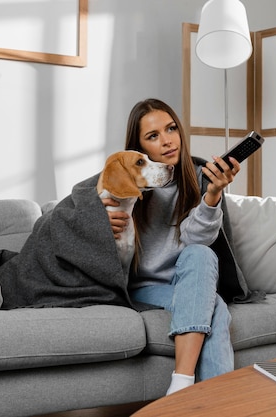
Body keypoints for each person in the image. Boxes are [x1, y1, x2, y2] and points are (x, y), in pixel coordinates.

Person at [102, 98, 247, 395]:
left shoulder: (199, 176)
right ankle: (196, 395)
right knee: (215, 307)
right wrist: (98, 216)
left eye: (171, 129)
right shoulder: (125, 178)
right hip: (145, 286)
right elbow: (75, 212)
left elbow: (197, 239)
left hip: (189, 280)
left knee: (201, 253)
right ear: (138, 147)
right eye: (153, 136)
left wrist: (213, 195)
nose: (167, 141)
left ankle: (184, 391)